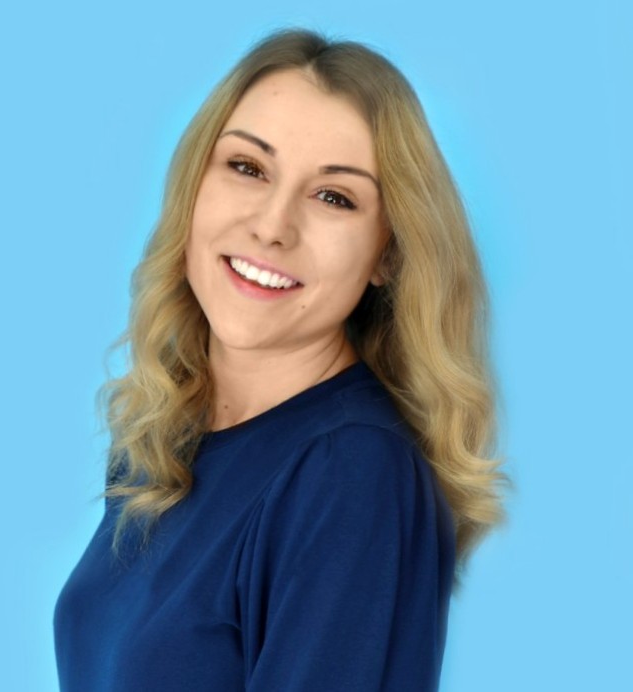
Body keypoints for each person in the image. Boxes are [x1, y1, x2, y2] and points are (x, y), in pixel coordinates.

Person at [54, 28, 506, 691]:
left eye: (334, 197)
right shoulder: (163, 435)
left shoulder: (352, 474)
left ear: (387, 255)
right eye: (247, 167)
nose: (272, 226)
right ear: (195, 188)